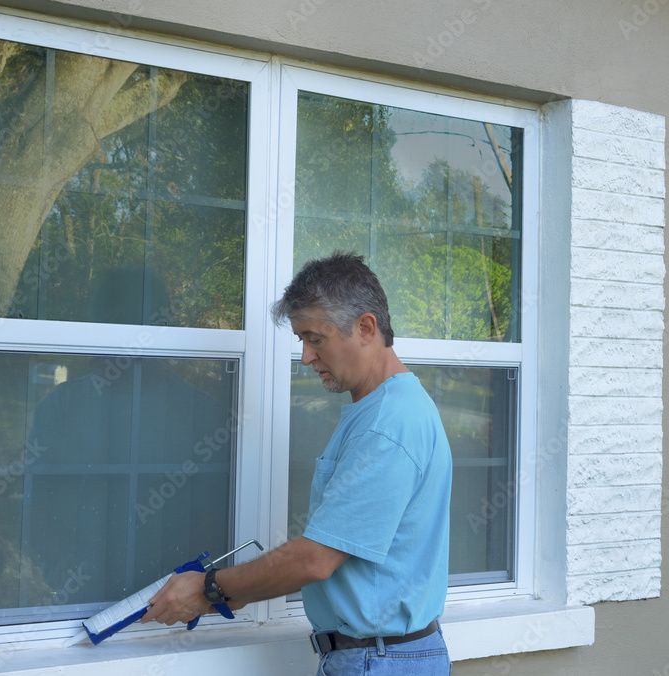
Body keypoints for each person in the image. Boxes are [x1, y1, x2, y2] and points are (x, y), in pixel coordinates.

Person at [142, 252, 453, 675]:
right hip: (380, 656)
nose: (306, 357)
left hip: (379, 661)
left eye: (315, 338)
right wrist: (229, 594)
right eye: (301, 340)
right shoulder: (383, 410)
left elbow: (315, 560)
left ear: (365, 327)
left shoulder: (388, 425)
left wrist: (210, 588)